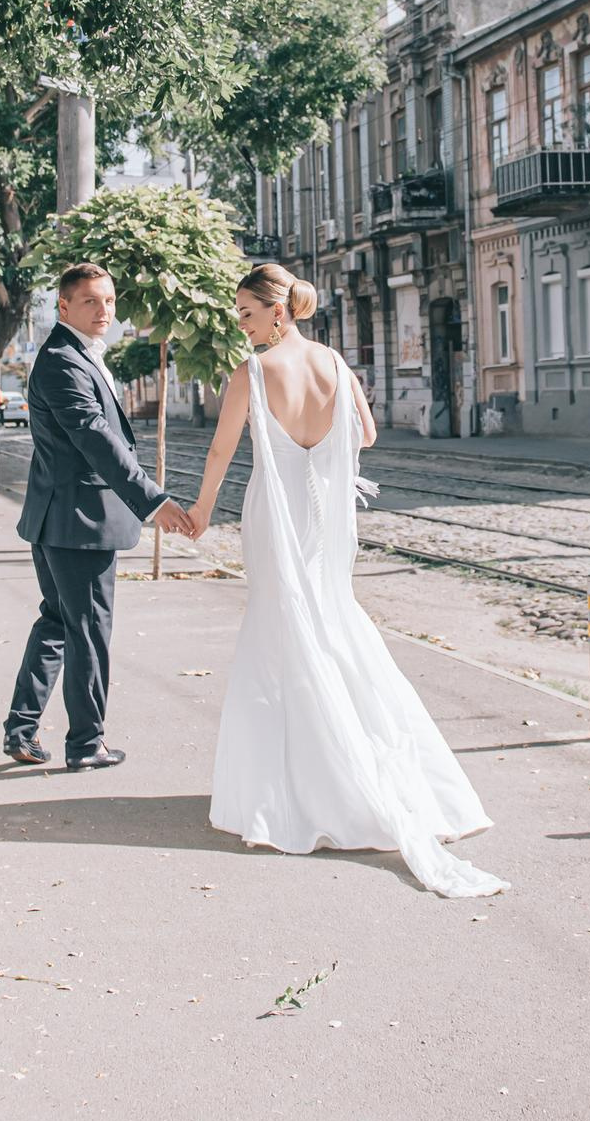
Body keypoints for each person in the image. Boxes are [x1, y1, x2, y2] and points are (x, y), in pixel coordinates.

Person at [182, 264, 507, 897]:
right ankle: (358, 769)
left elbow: (222, 451)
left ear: (278, 313)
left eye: (246, 312)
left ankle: (299, 787)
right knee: (332, 626)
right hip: (327, 520)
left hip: (277, 519)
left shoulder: (251, 373)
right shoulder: (334, 362)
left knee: (283, 636)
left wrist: (200, 512)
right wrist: (324, 454)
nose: (239, 322)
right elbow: (369, 433)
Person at [4, 263, 194, 771]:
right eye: (91, 301)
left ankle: (21, 730)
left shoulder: (78, 356)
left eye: (109, 301)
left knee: (59, 623)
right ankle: (86, 744)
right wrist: (153, 500)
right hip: (78, 522)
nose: (104, 311)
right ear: (63, 307)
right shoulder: (64, 360)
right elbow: (93, 436)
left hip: (59, 517)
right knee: (87, 630)